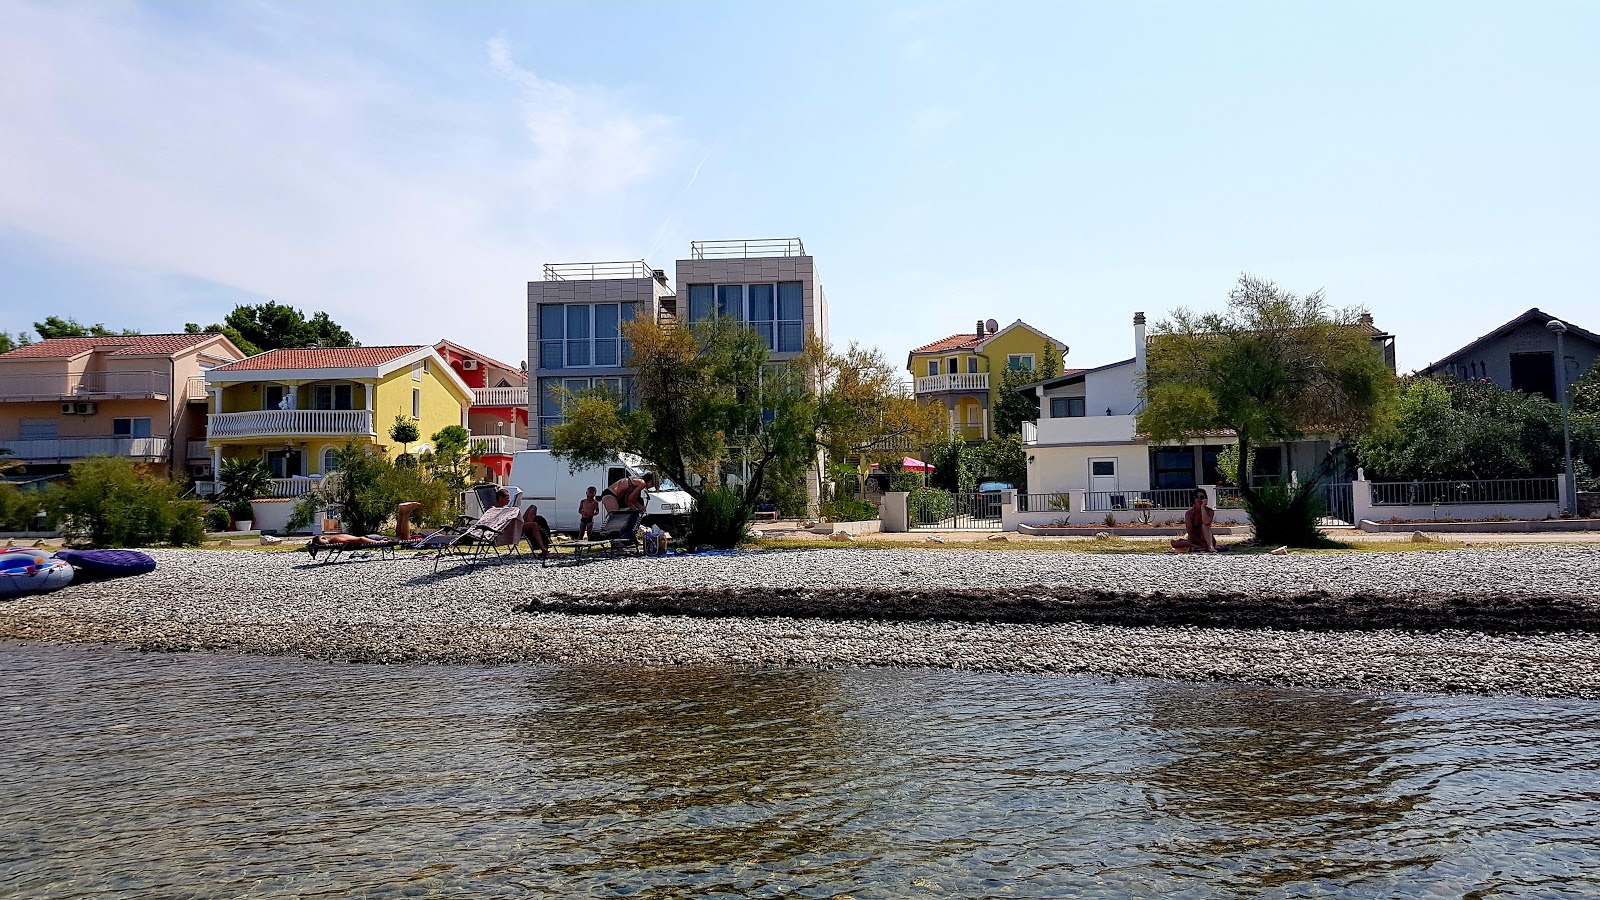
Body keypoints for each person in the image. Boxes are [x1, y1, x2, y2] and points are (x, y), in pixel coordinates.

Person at [599, 472, 657, 536]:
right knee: (617, 519)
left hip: (611, 495)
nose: (650, 487)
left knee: (619, 519)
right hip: (609, 495)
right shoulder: (642, 483)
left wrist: (637, 510)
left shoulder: (637, 483)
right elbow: (630, 499)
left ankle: (621, 538)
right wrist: (640, 508)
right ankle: (613, 539)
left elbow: (627, 500)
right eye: (652, 485)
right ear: (650, 481)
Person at [1170, 489, 1219, 553]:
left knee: (1204, 526)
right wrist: (1199, 543)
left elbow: (1206, 522)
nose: (1199, 499)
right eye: (1196, 497)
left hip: (1207, 540)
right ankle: (1196, 546)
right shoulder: (1189, 513)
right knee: (1174, 542)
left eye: (1201, 497)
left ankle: (1209, 547)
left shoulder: (1209, 511)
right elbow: (1190, 531)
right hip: (1194, 539)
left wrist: (1202, 507)